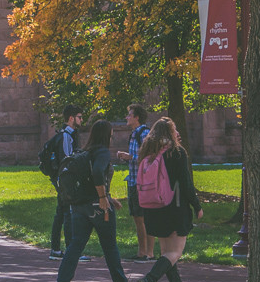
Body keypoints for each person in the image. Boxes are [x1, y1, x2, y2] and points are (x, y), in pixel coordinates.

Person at [56, 120, 127, 282]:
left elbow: (88, 181)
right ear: (106, 135)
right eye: (111, 134)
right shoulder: (102, 152)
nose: (112, 137)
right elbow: (96, 173)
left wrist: (109, 198)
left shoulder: (86, 151)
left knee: (75, 246)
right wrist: (103, 198)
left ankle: (62, 279)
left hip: (80, 205)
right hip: (98, 206)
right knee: (110, 247)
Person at [134, 117, 202, 282]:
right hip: (174, 207)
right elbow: (185, 182)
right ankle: (148, 279)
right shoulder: (176, 152)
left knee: (167, 254)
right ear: (171, 132)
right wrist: (197, 205)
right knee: (175, 253)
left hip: (154, 207)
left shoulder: (148, 152)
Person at [117, 104, 155, 263]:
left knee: (144, 217)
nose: (126, 117)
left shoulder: (144, 133)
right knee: (137, 217)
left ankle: (149, 253)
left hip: (143, 183)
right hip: (133, 181)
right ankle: (141, 252)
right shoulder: (134, 134)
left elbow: (150, 158)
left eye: (129, 115)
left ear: (137, 117)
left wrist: (129, 157)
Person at [50, 104, 86, 261]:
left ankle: (56, 250)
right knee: (68, 214)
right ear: (71, 118)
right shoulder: (66, 135)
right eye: (79, 117)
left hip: (63, 180)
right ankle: (71, 251)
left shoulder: (70, 134)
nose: (81, 120)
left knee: (61, 213)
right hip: (65, 181)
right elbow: (67, 159)